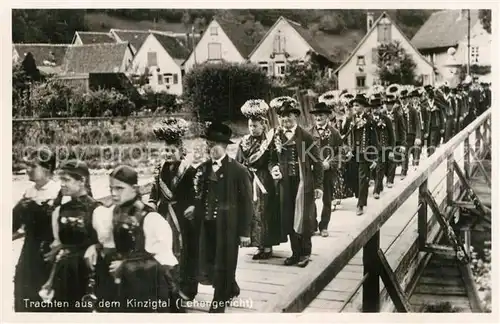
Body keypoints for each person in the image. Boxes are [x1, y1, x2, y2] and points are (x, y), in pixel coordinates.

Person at [89, 165, 181, 313]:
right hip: (119, 286)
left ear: (134, 188)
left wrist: (126, 266)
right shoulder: (111, 212)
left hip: (144, 290)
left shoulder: (150, 218)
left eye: (119, 188)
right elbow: (110, 245)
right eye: (111, 188)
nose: (113, 193)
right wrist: (97, 247)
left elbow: (164, 265)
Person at [193, 122, 253, 313]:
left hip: (229, 226)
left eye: (215, 146)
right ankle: (231, 287)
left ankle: (218, 301)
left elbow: (247, 204)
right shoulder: (202, 169)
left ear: (225, 146)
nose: (211, 149)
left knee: (226, 261)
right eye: (209, 145)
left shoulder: (238, 170)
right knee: (209, 260)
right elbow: (199, 196)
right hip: (208, 224)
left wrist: (245, 232)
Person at [41, 160, 111, 312]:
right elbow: (60, 247)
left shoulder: (97, 211)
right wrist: (50, 281)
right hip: (65, 272)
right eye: (61, 180)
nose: (62, 184)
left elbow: (108, 244)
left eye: (66, 180)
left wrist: (95, 246)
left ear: (82, 181)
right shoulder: (59, 211)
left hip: (88, 273)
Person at [149, 117, 198, 301]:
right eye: (166, 150)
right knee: (165, 249)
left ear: (182, 151)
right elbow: (155, 192)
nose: (169, 154)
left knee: (184, 252)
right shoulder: (160, 170)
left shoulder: (190, 171)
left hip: (182, 218)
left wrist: (194, 206)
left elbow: (196, 195)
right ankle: (167, 286)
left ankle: (186, 287)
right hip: (163, 215)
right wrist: (152, 202)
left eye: (173, 150)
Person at [269, 101, 323, 266]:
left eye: (289, 116)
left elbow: (318, 163)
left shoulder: (305, 137)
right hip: (285, 186)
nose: (285, 120)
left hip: (303, 184)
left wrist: (318, 186)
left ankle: (305, 253)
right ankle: (295, 252)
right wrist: (274, 169)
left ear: (296, 117)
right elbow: (271, 160)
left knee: (304, 218)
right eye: (282, 117)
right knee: (289, 217)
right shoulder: (276, 137)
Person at [235, 99, 284, 259]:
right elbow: (238, 162)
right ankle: (257, 245)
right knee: (252, 211)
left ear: (263, 125)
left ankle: (268, 245)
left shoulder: (269, 141)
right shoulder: (244, 141)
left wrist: (273, 171)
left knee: (265, 211)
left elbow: (273, 159)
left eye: (255, 126)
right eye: (250, 126)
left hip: (264, 179)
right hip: (249, 179)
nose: (252, 128)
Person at [13, 149, 61, 312]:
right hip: (30, 250)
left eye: (33, 166)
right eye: (28, 166)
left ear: (47, 169)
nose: (27, 170)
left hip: (50, 252)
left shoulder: (58, 192)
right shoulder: (29, 192)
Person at [308, 102, 342, 237]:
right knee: (311, 199)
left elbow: (341, 153)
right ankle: (313, 225)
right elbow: (304, 152)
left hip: (328, 172)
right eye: (316, 115)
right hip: (312, 172)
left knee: (327, 200)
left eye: (321, 115)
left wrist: (330, 164)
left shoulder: (334, 133)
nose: (318, 118)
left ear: (327, 116)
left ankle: (324, 226)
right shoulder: (308, 133)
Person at [341, 94, 379, 215]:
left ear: (363, 107)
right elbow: (344, 136)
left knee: (363, 179)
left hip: (364, 153)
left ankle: (361, 204)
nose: (355, 107)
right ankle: (358, 196)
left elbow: (374, 140)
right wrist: (346, 149)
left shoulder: (370, 121)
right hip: (352, 153)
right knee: (354, 176)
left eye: (357, 105)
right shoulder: (350, 119)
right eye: (354, 105)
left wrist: (374, 158)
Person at [370, 95, 395, 199]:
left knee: (380, 168)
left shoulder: (386, 120)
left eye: (377, 108)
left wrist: (392, 150)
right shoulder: (368, 120)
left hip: (384, 149)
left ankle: (376, 191)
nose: (375, 110)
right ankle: (379, 185)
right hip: (371, 149)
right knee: (374, 169)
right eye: (373, 108)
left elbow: (392, 136)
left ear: (381, 108)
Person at [386, 93, 407, 186]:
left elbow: (402, 130)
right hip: (385, 141)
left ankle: (390, 180)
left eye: (390, 104)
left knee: (393, 160)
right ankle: (386, 176)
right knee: (384, 160)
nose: (388, 105)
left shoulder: (398, 115)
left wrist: (403, 144)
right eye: (387, 104)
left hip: (395, 140)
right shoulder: (382, 115)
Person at [401, 89, 423, 177]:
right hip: (404, 136)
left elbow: (418, 124)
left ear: (408, 99)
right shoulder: (398, 110)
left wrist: (418, 136)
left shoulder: (413, 110)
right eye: (402, 99)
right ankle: (404, 171)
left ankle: (415, 171)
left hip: (412, 135)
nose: (404, 100)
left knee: (415, 152)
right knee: (405, 154)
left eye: (406, 99)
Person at [421, 87, 444, 156]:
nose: (429, 97)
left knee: (432, 141)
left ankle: (431, 156)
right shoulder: (423, 104)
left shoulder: (437, 104)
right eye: (428, 95)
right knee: (428, 142)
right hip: (426, 126)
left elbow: (441, 116)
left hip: (435, 125)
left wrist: (442, 127)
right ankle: (429, 154)